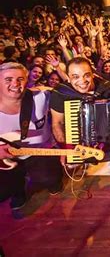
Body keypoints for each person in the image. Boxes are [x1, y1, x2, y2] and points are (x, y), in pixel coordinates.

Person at [50, 57, 110, 194]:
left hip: (109, 136)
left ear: (92, 74)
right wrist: (66, 149)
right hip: (78, 137)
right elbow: (56, 123)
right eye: (75, 77)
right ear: (68, 78)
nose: (82, 81)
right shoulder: (61, 93)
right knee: (74, 160)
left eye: (86, 75)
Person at [0, 62, 63, 212]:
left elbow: (68, 94)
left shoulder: (41, 96)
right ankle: (18, 190)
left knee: (51, 178)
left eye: (20, 79)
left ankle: (53, 180)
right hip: (6, 158)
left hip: (40, 151)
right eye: (8, 79)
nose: (15, 84)